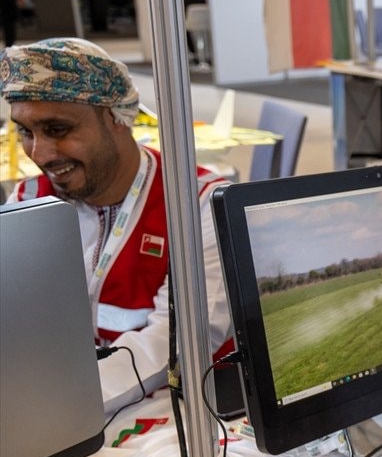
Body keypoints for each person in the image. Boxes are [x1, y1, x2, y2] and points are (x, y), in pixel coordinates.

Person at [2, 38, 232, 414]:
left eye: (57, 129)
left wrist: (63, 404)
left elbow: (178, 339)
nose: (39, 154)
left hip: (185, 411)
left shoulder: (197, 204)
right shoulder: (30, 202)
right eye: (26, 132)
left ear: (117, 118)